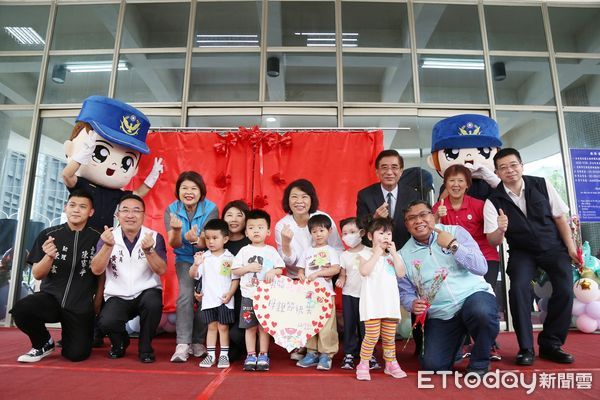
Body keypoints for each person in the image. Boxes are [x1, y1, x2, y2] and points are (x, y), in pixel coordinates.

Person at [483, 148, 577, 366]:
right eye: (503, 167)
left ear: (521, 165)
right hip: (522, 251)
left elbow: (560, 218)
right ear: (497, 172)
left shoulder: (542, 184)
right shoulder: (493, 200)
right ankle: (526, 348)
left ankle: (551, 344)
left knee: (564, 289)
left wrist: (570, 247)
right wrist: (501, 229)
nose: (510, 170)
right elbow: (493, 241)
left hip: (553, 246)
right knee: (517, 290)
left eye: (513, 165)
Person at [398, 200, 499, 375]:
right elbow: (405, 291)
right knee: (433, 367)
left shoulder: (455, 232)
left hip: (474, 296)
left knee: (481, 312)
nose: (418, 220)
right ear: (407, 225)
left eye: (423, 215)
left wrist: (454, 245)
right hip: (442, 313)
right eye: (411, 218)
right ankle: (456, 344)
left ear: (433, 215)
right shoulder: (402, 255)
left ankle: (480, 362)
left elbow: (481, 267)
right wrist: (412, 303)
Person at [10, 190, 102, 363]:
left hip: (80, 305)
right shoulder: (49, 234)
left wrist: (98, 299)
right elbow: (37, 274)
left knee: (76, 355)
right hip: (50, 299)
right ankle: (43, 343)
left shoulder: (97, 237)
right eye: (72, 205)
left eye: (82, 207)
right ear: (65, 208)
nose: (76, 210)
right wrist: (49, 257)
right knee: (22, 309)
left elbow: (101, 272)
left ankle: (71, 338)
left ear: (91, 212)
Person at [432, 165, 501, 361]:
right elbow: (431, 233)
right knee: (460, 302)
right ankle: (461, 343)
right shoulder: (439, 207)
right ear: (445, 184)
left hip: (484, 258)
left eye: (461, 180)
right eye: (451, 180)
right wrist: (437, 215)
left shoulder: (479, 205)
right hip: (454, 262)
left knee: (483, 303)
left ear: (468, 184)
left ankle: (488, 344)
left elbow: (491, 234)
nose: (456, 184)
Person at [91, 194, 167, 363]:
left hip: (146, 291)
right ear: (117, 215)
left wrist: (149, 251)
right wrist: (107, 247)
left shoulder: (153, 237)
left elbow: (161, 270)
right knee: (106, 322)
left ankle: (145, 347)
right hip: (118, 295)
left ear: (144, 215)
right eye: (125, 210)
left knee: (153, 303)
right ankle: (120, 343)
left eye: (136, 210)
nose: (130, 215)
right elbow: (96, 269)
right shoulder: (108, 237)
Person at [274, 178, 343, 360]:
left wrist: (329, 270)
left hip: (324, 276)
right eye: (294, 197)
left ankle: (325, 350)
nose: (299, 201)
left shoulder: (323, 219)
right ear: (287, 200)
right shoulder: (282, 225)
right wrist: (287, 243)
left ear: (311, 199)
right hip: (298, 276)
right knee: (304, 315)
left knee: (325, 318)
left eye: (304, 197)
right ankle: (304, 345)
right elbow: (288, 262)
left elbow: (337, 248)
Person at [166, 171, 218, 363]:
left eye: (193, 188)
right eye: (184, 188)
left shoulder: (211, 208)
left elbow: (210, 241)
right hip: (184, 260)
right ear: (178, 190)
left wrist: (196, 239)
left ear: (201, 191)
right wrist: (179, 232)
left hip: (207, 259)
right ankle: (182, 343)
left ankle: (197, 341)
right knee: (185, 296)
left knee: (206, 298)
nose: (189, 192)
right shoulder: (171, 209)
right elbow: (174, 244)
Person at [356, 217, 407, 381]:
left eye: (389, 233)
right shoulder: (363, 254)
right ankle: (363, 364)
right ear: (370, 236)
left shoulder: (393, 256)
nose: (386, 237)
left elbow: (401, 273)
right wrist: (377, 253)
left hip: (390, 305)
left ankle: (391, 363)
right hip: (372, 304)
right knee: (371, 336)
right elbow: (365, 271)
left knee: (389, 338)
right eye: (381, 233)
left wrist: (393, 254)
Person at [232, 209, 284, 371]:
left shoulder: (271, 251)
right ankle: (251, 354)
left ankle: (263, 354)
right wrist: (248, 268)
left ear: (268, 231)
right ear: (246, 232)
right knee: (250, 327)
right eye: (252, 227)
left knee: (264, 328)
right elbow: (235, 270)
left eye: (260, 227)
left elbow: (281, 268)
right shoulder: (244, 251)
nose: (256, 230)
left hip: (265, 297)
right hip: (248, 296)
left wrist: (272, 272)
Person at [188, 219, 239, 369]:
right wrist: (196, 264)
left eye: (215, 238)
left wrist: (230, 294)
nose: (211, 242)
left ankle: (223, 355)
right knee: (211, 327)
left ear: (225, 239)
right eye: (208, 238)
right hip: (209, 300)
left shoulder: (230, 258)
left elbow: (235, 279)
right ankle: (211, 356)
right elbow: (193, 275)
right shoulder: (203, 257)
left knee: (223, 327)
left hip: (225, 300)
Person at [295, 214, 341, 371]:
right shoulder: (307, 251)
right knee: (309, 324)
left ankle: (326, 354)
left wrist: (318, 274)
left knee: (326, 326)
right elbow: (300, 269)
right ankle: (311, 352)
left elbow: (336, 268)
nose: (318, 234)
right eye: (314, 231)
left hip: (325, 294)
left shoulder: (331, 250)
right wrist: (301, 275)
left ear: (329, 231)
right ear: (310, 234)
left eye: (321, 230)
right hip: (308, 295)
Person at [357, 149, 426, 249]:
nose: (389, 172)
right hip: (376, 252)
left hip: (406, 250)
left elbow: (418, 224)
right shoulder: (365, 195)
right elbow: (360, 228)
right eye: (384, 168)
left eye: (394, 167)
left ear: (401, 171)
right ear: (377, 171)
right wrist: (374, 219)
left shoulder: (413, 195)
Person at [336, 217, 372, 370]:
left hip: (366, 295)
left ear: (362, 232)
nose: (348, 236)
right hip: (349, 294)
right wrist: (341, 279)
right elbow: (343, 273)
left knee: (366, 326)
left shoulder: (370, 252)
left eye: (352, 232)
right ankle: (349, 353)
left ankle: (368, 354)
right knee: (350, 324)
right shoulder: (344, 255)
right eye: (344, 233)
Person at [222, 200, 252, 362]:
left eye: (239, 215)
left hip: (245, 296)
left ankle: (248, 343)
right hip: (223, 294)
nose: (233, 219)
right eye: (229, 215)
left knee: (236, 334)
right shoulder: (218, 242)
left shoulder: (251, 244)